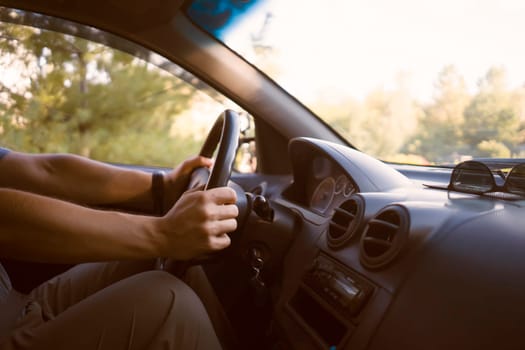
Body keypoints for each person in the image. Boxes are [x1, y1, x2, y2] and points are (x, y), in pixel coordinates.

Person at [0, 147, 239, 349]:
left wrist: (161, 187)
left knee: (165, 261)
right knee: (167, 305)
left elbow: (43, 172)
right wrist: (161, 233)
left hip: (16, 303)